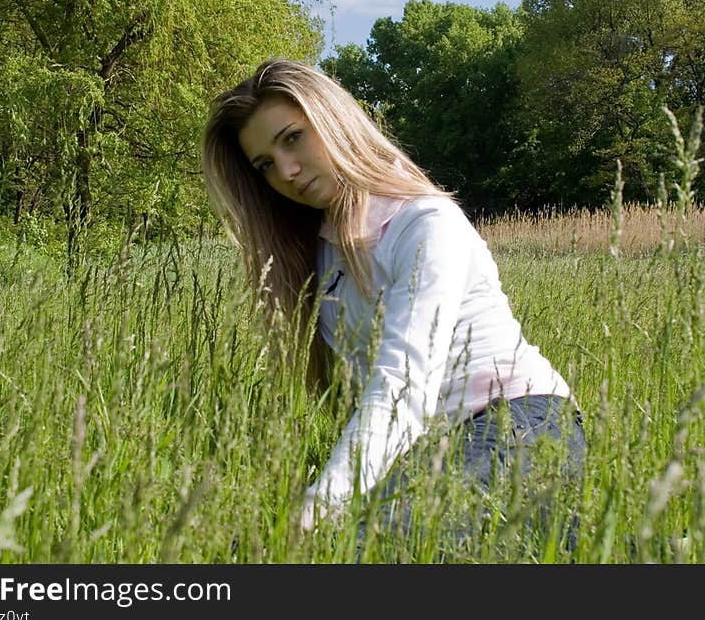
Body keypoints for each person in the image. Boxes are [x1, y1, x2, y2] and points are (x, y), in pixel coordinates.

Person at [201, 58, 586, 552]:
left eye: (292, 138)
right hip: (430, 449)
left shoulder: (425, 223)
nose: (287, 172)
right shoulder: (318, 250)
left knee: (362, 551)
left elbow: (402, 386)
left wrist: (318, 507)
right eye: (265, 165)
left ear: (334, 120)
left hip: (520, 421)